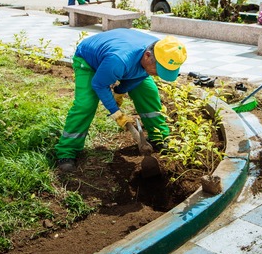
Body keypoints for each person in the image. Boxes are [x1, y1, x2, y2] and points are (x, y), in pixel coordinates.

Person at [55, 29, 187, 172]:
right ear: (148, 56)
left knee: (148, 92)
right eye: (158, 70)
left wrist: (119, 91)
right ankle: (67, 151)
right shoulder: (119, 59)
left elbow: (139, 75)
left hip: (124, 59)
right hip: (89, 61)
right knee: (85, 104)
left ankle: (160, 137)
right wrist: (116, 113)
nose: (158, 74)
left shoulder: (161, 50)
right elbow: (99, 84)